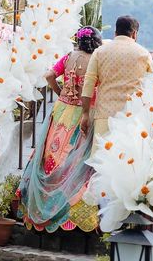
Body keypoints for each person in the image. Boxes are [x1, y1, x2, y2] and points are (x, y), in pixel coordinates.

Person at [17, 26, 103, 232]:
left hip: (62, 109)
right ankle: (69, 208)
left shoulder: (68, 57)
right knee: (75, 157)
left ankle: (41, 206)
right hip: (83, 111)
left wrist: (61, 92)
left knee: (52, 153)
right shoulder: (96, 61)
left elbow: (48, 76)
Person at [80, 15, 152, 156]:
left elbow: (88, 84)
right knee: (128, 161)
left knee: (102, 161)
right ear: (134, 34)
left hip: (105, 115)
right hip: (132, 116)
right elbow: (152, 85)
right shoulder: (143, 54)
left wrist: (85, 114)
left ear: (115, 32)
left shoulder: (100, 52)